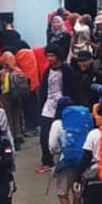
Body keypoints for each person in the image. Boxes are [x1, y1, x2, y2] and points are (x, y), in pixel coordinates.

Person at [36, 45, 77, 173]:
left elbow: (74, 89)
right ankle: (47, 161)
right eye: (48, 56)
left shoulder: (67, 70)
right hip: (48, 106)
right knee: (44, 135)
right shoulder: (47, 71)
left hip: (63, 106)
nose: (50, 59)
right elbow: (44, 89)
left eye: (52, 56)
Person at [48, 96, 82, 204]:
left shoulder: (57, 124)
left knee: (62, 191)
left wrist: (57, 153)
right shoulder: (80, 121)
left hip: (66, 160)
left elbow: (52, 145)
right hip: (81, 160)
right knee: (77, 191)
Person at [0, 52, 27, 149]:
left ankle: (12, 138)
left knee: (9, 118)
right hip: (14, 98)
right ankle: (17, 137)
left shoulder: (1, 73)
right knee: (16, 117)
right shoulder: (18, 72)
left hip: (7, 98)